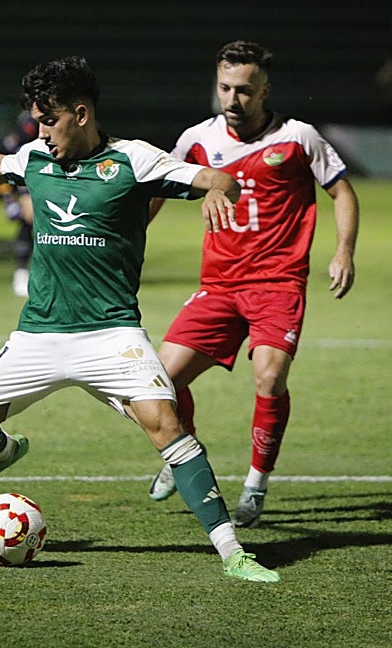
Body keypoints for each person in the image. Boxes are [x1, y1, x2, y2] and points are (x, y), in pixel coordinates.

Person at [0, 55, 280, 582]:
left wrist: (215, 190)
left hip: (112, 335)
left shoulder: (134, 161)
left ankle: (233, 552)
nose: (40, 132)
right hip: (38, 334)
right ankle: (3, 451)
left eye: (48, 120)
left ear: (80, 114)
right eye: (36, 121)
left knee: (167, 426)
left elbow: (220, 178)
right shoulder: (35, 157)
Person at [144, 41, 359, 529]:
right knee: (161, 380)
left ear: (265, 90)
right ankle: (182, 451)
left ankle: (256, 483)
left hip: (278, 283)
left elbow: (342, 191)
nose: (232, 99)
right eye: (224, 88)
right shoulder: (197, 139)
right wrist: (129, 242)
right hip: (219, 285)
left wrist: (344, 250)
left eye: (244, 90)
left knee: (269, 376)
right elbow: (157, 189)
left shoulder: (298, 137)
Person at [0, 111, 38, 296]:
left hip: (48, 187)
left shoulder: (50, 143)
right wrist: (8, 200)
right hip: (24, 189)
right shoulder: (12, 144)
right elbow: (0, 174)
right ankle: (21, 273)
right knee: (27, 224)